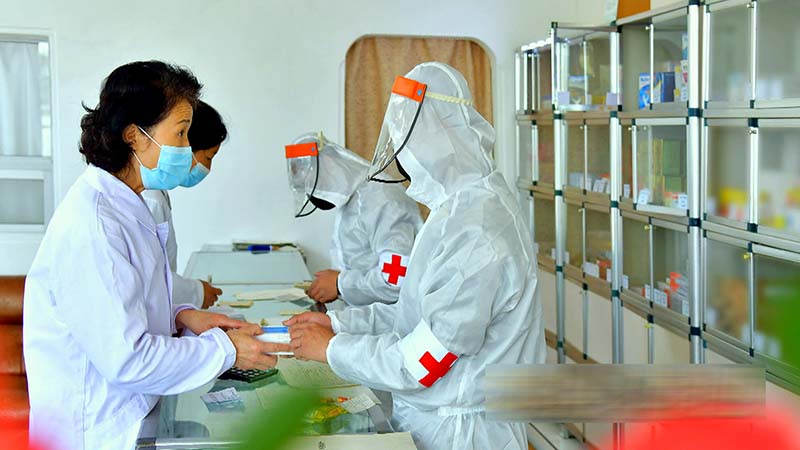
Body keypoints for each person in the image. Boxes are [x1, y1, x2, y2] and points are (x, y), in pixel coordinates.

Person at [23, 61, 286, 450]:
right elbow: (128, 359)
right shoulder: (94, 226)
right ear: (134, 136)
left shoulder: (129, 204)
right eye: (180, 133)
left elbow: (131, 299)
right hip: (97, 431)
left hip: (134, 411)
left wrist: (181, 315)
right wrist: (227, 351)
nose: (186, 148)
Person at [285, 62, 545, 450]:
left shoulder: (476, 230)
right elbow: (414, 313)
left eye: (407, 138)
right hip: (436, 418)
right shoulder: (457, 210)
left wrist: (332, 349)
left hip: (463, 434)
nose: (404, 155)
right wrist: (338, 324)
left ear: (438, 136)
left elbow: (424, 361)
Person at [285, 132, 422, 305]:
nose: (314, 193)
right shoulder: (352, 197)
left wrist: (339, 284)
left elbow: (395, 280)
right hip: (363, 314)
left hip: (392, 317)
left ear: (329, 164)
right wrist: (335, 283)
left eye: (312, 183)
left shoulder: (381, 198)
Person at [142, 100, 228, 309]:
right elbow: (149, 281)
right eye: (208, 157)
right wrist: (196, 292)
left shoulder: (157, 193)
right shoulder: (149, 200)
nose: (207, 167)